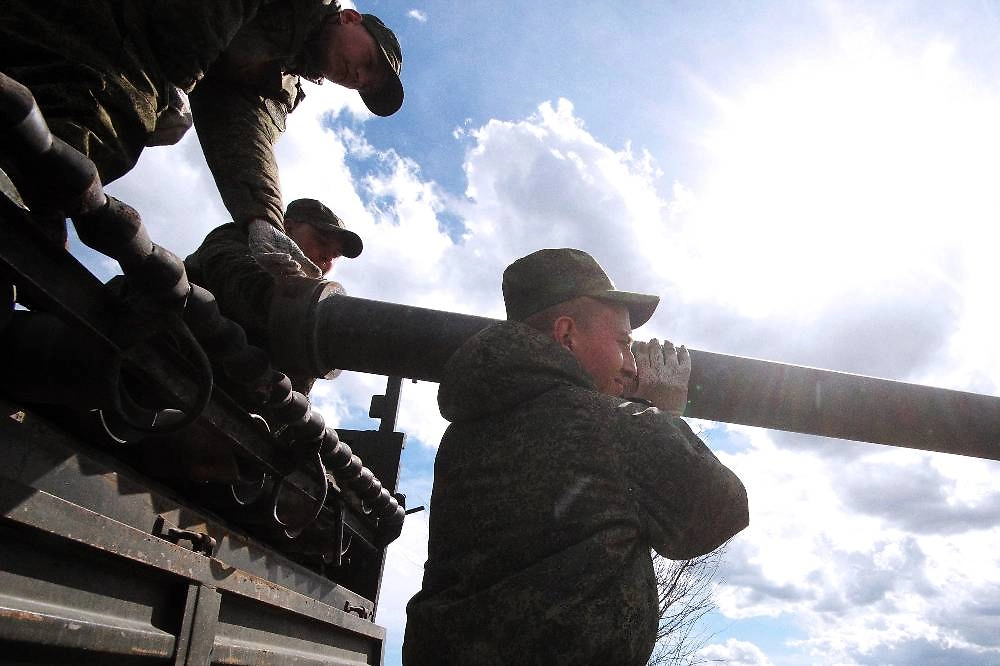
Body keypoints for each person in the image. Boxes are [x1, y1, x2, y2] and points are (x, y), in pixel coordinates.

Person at [403, 248, 749, 665]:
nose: (631, 366)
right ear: (566, 335)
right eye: (623, 343)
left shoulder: (464, 433)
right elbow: (720, 511)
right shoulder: (612, 426)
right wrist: (661, 413)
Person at [0, 1, 402, 276]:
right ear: (350, 18)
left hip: (128, 63)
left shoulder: (280, 80)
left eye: (364, 85)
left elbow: (245, 133)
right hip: (108, 25)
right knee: (101, 120)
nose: (359, 77)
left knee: (86, 155)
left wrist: (262, 219)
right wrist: (180, 78)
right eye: (368, 62)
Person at [184, 197, 362, 393]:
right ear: (288, 228)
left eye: (335, 255)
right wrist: (308, 309)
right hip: (179, 359)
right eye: (321, 241)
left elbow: (298, 381)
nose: (327, 258)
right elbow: (238, 281)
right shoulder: (240, 237)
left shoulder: (310, 306)